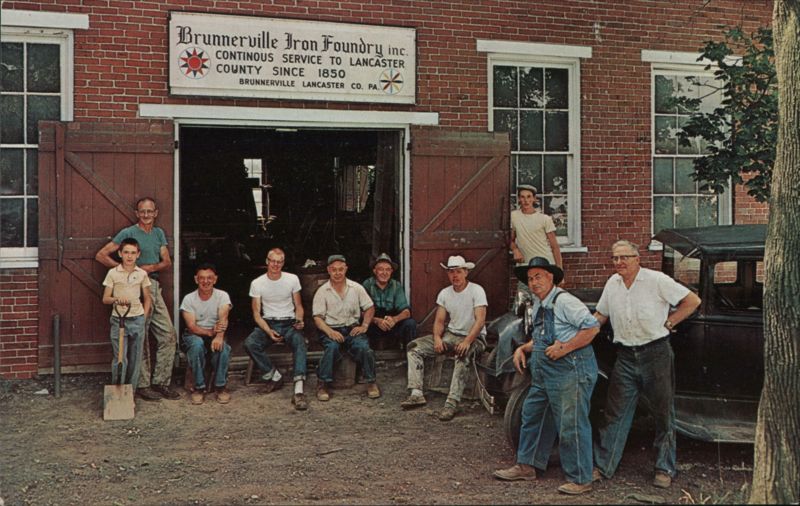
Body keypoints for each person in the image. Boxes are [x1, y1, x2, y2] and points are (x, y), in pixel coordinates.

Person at [592, 240, 701, 489]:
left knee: (663, 413)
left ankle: (664, 468)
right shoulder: (613, 283)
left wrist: (671, 322)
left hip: (656, 354)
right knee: (614, 414)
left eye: (624, 257)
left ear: (637, 258)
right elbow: (600, 315)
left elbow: (692, 301)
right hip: (626, 357)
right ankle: (603, 466)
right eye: (615, 258)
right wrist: (579, 331)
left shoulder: (656, 280)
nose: (619, 262)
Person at [493, 257, 600, 495]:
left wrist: (566, 347)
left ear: (550, 277)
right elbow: (544, 337)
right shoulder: (540, 303)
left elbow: (592, 327)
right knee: (533, 414)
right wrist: (523, 348)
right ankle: (527, 466)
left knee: (571, 424)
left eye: (538, 276)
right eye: (530, 279)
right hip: (544, 372)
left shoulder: (565, 301)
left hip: (571, 370)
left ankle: (581, 478)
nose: (533, 282)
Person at [95, 197, 181, 401]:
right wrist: (124, 273)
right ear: (137, 213)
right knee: (138, 335)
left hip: (153, 286)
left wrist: (149, 268)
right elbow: (101, 255)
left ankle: (161, 382)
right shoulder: (128, 233)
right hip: (133, 290)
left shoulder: (158, 233)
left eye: (150, 211)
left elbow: (166, 261)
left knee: (168, 335)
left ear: (156, 213)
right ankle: (142, 385)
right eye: (142, 211)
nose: (146, 215)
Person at [400, 255, 487, 422]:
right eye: (451, 272)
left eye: (458, 272)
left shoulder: (477, 290)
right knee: (414, 348)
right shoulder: (445, 293)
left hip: (475, 338)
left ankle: (451, 403)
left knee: (462, 354)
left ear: (466, 272)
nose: (455, 276)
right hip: (451, 335)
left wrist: (467, 341)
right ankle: (416, 393)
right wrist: (437, 338)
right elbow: (439, 320)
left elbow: (480, 320)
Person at [243, 248, 309, 411]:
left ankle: (299, 390)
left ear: (283, 263)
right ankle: (274, 376)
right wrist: (268, 331)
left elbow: (299, 306)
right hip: (268, 322)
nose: (275, 264)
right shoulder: (257, 283)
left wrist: (299, 320)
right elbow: (256, 314)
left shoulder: (292, 279)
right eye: (272, 261)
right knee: (250, 343)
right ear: (267, 261)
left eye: (279, 261)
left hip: (289, 322)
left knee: (300, 342)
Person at [312, 254, 380, 402]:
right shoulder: (322, 291)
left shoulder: (356, 288)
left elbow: (369, 308)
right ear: (329, 270)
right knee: (331, 348)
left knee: (363, 347)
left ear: (346, 269)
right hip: (331, 329)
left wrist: (365, 325)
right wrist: (330, 332)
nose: (337, 273)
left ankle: (371, 382)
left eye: (340, 269)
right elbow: (317, 318)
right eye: (334, 270)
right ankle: (322, 384)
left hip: (352, 328)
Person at [101, 238, 153, 392]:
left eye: (133, 253)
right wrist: (117, 300)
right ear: (120, 254)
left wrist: (143, 317)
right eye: (126, 253)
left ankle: (130, 393)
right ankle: (117, 390)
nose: (129, 256)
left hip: (137, 319)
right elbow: (105, 298)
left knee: (135, 359)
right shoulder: (113, 273)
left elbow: (147, 298)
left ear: (138, 254)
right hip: (119, 320)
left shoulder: (142, 274)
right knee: (120, 358)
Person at [179, 263, 232, 405]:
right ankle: (199, 388)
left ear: (215, 279)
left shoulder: (222, 296)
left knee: (224, 348)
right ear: (196, 279)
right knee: (196, 345)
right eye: (202, 278)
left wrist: (219, 336)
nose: (205, 281)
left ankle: (221, 386)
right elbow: (191, 327)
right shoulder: (189, 299)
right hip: (195, 335)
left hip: (216, 333)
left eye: (209, 278)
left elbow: (223, 318)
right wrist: (211, 333)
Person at [363, 253, 417, 349]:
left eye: (388, 269)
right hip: (374, 324)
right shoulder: (367, 285)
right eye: (381, 269)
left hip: (391, 324)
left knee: (410, 324)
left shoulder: (396, 286)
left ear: (391, 271)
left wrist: (394, 320)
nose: (384, 273)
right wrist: (377, 320)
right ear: (375, 271)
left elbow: (406, 312)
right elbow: (360, 313)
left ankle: (409, 356)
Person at [510, 185, 563, 284]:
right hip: (525, 267)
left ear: (534, 199)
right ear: (518, 199)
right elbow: (510, 239)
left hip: (545, 265)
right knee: (524, 297)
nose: (526, 200)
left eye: (529, 197)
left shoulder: (544, 219)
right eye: (522, 197)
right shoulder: (514, 216)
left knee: (544, 296)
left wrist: (560, 273)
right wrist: (515, 249)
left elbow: (555, 247)